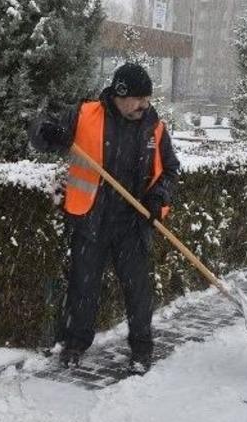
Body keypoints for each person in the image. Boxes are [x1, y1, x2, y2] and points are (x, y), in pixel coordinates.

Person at [29, 63, 180, 375]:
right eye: (138, 99)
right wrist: (47, 132)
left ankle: (141, 349)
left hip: (132, 225)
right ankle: (74, 344)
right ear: (119, 95)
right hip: (90, 219)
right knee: (83, 288)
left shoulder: (155, 128)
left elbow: (170, 171)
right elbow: (40, 131)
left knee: (138, 291)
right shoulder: (84, 115)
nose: (144, 105)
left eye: (147, 99)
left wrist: (158, 200)